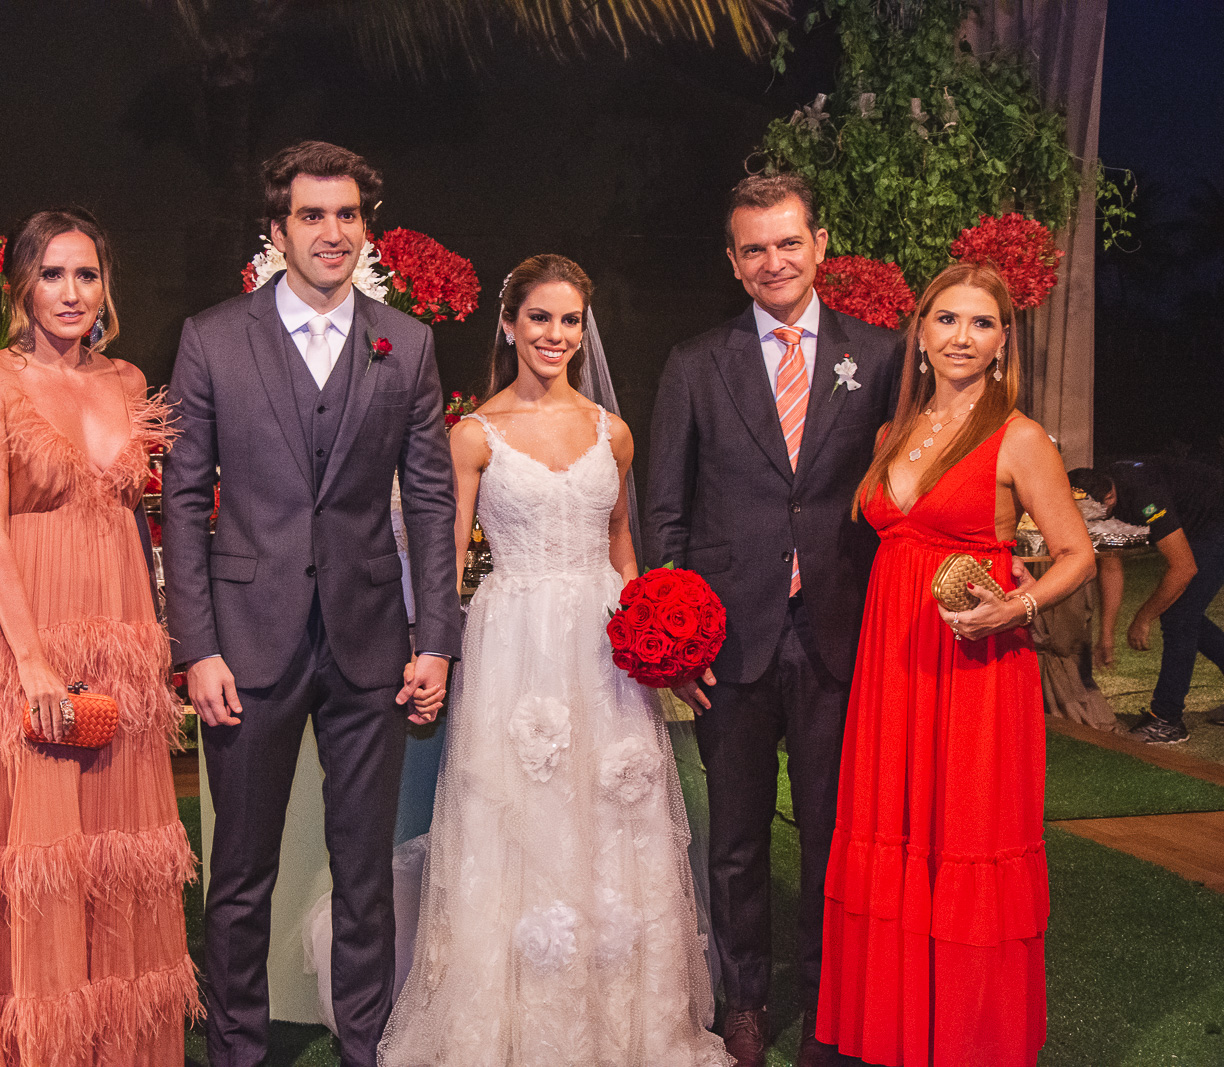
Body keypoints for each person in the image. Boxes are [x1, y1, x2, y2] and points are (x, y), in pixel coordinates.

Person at [378, 256, 731, 1067]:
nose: (556, 334)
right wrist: (430, 646)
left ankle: (624, 1023)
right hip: (514, 641)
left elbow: (622, 542)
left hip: (604, 646)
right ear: (509, 324)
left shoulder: (613, 431)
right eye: (540, 317)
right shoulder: (474, 434)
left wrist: (651, 631)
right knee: (518, 819)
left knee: (614, 816)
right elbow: (444, 555)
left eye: (570, 320)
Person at [0, 209, 198, 1064]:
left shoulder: (128, 379)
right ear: (22, 285)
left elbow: (136, 518)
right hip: (26, 643)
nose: (71, 292)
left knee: (111, 865)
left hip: (121, 645)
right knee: (34, 862)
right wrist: (34, 665)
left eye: (86, 274)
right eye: (52, 274)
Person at [162, 141, 461, 1067]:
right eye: (312, 215)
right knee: (241, 873)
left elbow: (432, 499)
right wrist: (197, 646)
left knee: (365, 870)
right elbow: (183, 499)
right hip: (246, 644)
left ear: (366, 226)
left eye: (347, 215)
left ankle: (364, 1042)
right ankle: (238, 1049)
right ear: (278, 228)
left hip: (371, 645)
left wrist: (436, 637)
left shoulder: (406, 342)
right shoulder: (213, 337)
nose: (332, 232)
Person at [643, 174, 901, 1067]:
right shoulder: (694, 363)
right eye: (754, 248)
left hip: (841, 634)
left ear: (820, 245)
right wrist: (675, 638)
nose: (773, 261)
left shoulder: (883, 356)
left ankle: (832, 1000)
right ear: (732, 261)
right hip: (730, 643)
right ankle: (745, 1000)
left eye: (789, 242)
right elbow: (665, 513)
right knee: (737, 839)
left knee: (835, 835)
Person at [817, 263, 1095, 1066]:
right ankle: (897, 1031)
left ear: (1004, 341)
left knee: (965, 837)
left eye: (981, 323)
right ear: (922, 333)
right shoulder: (891, 432)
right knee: (896, 833)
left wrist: (1019, 606)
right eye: (947, 319)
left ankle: (971, 1041)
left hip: (974, 670)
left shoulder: (1020, 436)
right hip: (892, 664)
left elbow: (1076, 552)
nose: (962, 337)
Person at [1069, 458, 1224, 743]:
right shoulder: (1099, 495)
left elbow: (1183, 568)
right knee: (1184, 615)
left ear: (1109, 498)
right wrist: (1106, 636)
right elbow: (1110, 565)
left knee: (1179, 617)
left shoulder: (1145, 498)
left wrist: (1143, 618)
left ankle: (1167, 719)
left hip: (1216, 520)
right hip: (1199, 522)